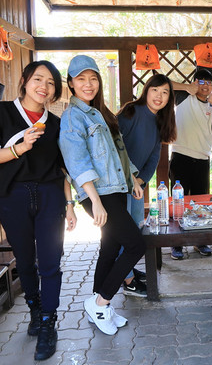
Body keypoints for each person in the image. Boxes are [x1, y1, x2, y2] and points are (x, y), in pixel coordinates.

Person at [0, 60, 76, 361]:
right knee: (26, 262)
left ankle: (48, 322)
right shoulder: (2, 113)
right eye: (38, 79)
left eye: (50, 83)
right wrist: (19, 147)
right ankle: (34, 308)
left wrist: (69, 206)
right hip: (13, 196)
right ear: (24, 80)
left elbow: (61, 168)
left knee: (50, 262)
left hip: (49, 196)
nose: (43, 87)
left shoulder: (56, 124)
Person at [58, 55, 146, 336]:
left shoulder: (99, 113)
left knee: (109, 247)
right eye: (81, 79)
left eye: (93, 78)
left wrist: (132, 177)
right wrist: (94, 201)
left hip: (116, 189)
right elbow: (77, 162)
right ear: (71, 83)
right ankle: (101, 302)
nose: (88, 84)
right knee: (135, 245)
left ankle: (101, 308)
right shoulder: (73, 117)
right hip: (98, 194)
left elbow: (119, 151)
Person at [116, 73, 177, 297]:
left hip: (136, 186)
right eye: (155, 90)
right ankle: (128, 280)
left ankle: (127, 270)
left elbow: (154, 157)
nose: (159, 96)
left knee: (134, 229)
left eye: (165, 92)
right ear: (146, 90)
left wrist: (140, 181)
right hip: (118, 184)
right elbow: (115, 147)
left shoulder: (161, 120)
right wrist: (131, 179)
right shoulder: (131, 111)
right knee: (124, 234)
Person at [169, 68, 212, 260]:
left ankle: (200, 241)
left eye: (209, 83)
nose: (206, 86)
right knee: (179, 201)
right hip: (181, 155)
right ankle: (176, 244)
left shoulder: (211, 105)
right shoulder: (183, 97)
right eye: (201, 82)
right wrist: (187, 87)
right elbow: (162, 83)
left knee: (201, 203)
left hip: (202, 158)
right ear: (195, 83)